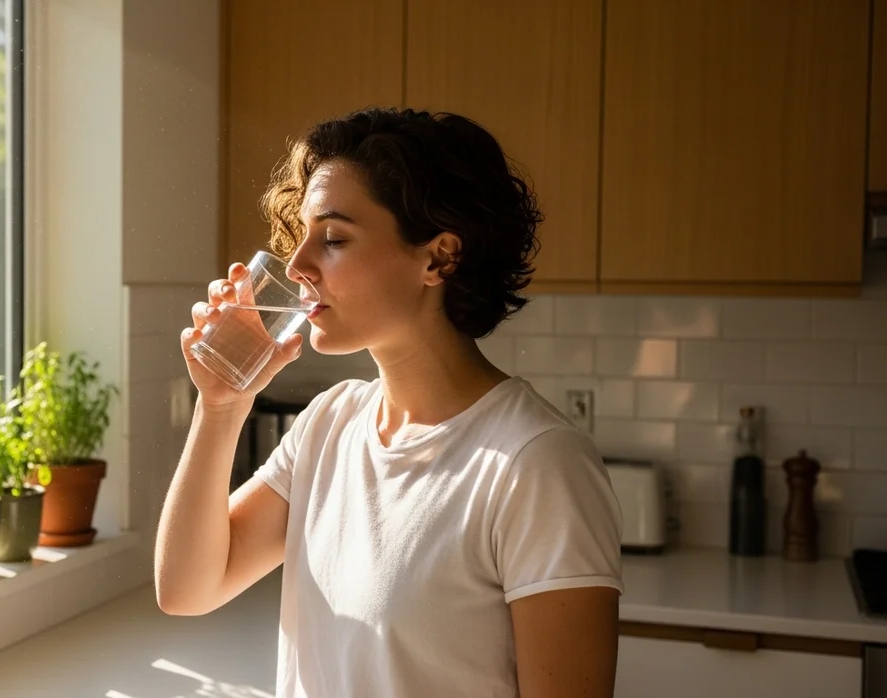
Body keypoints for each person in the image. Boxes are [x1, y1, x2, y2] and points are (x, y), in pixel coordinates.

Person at [154, 106, 624, 698]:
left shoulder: (537, 465)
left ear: (438, 258)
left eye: (334, 238)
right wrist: (220, 406)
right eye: (300, 237)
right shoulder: (328, 424)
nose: (298, 266)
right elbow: (187, 590)